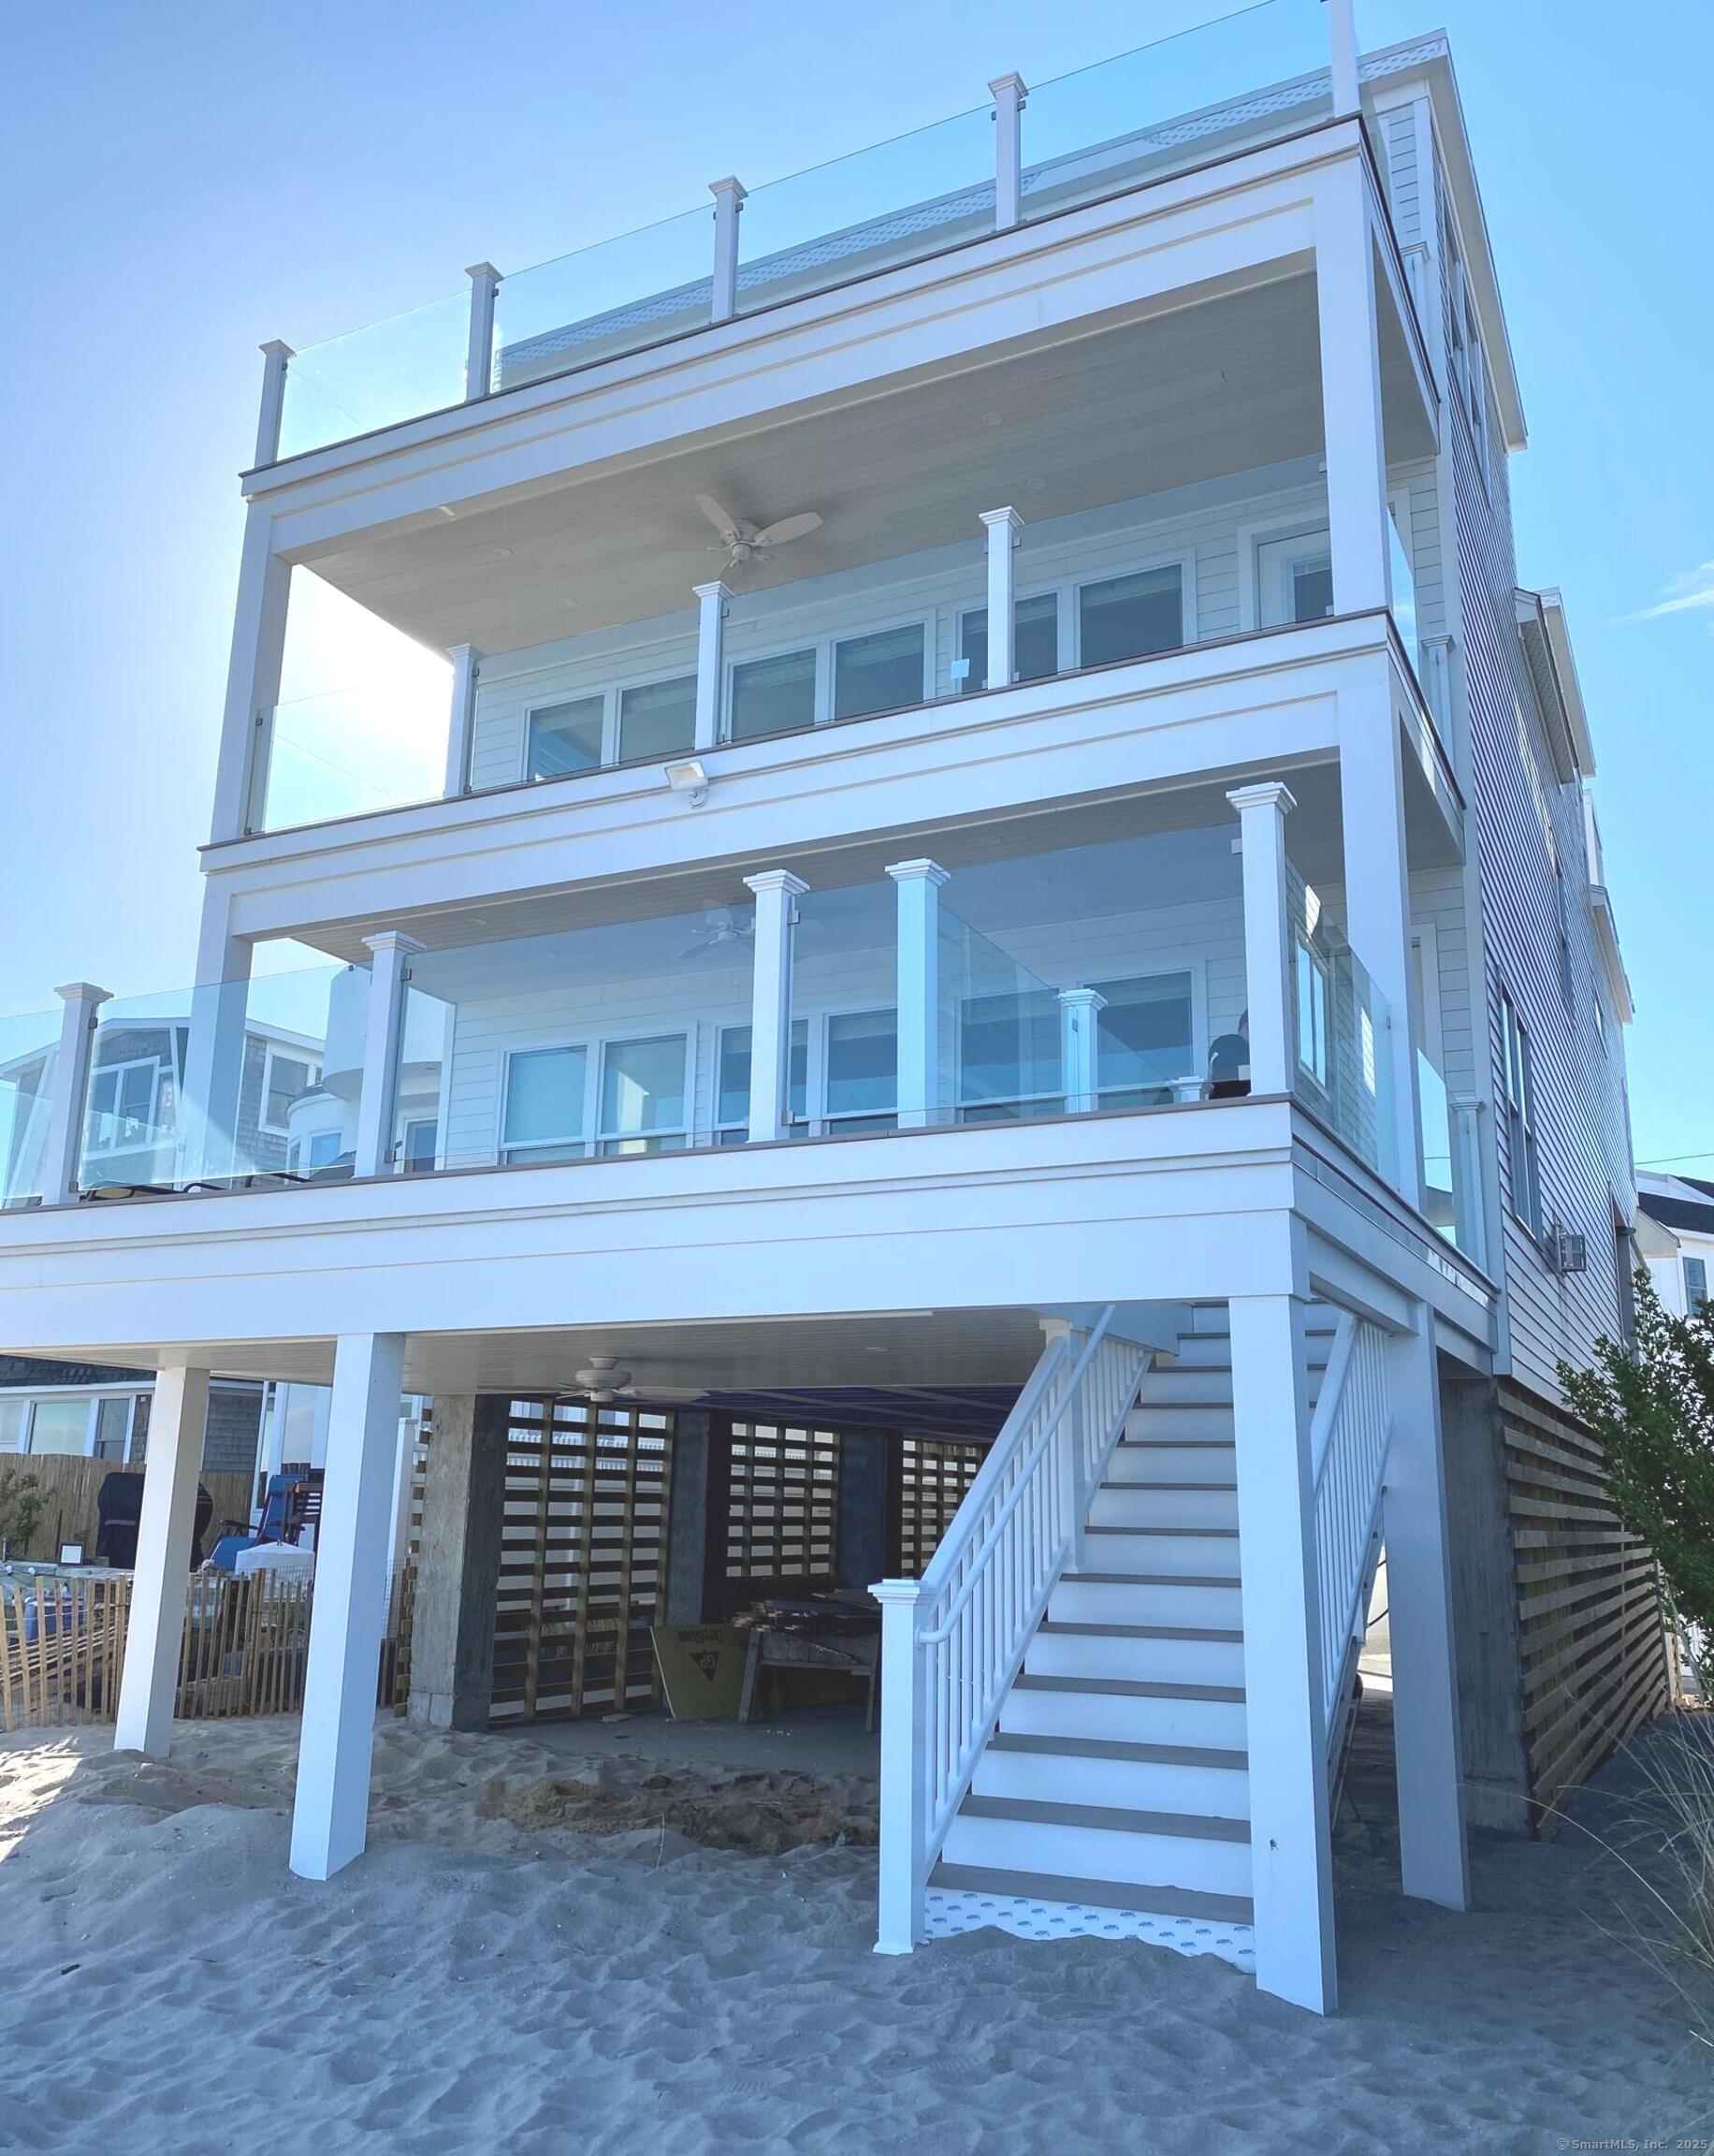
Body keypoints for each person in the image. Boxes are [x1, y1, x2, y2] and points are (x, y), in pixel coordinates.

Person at [1207, 1011, 1250, 1099]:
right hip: (1238, 1101)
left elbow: (1211, 1074)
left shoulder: (1219, 1044)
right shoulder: (1236, 1045)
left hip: (1220, 1102)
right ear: (1247, 1026)